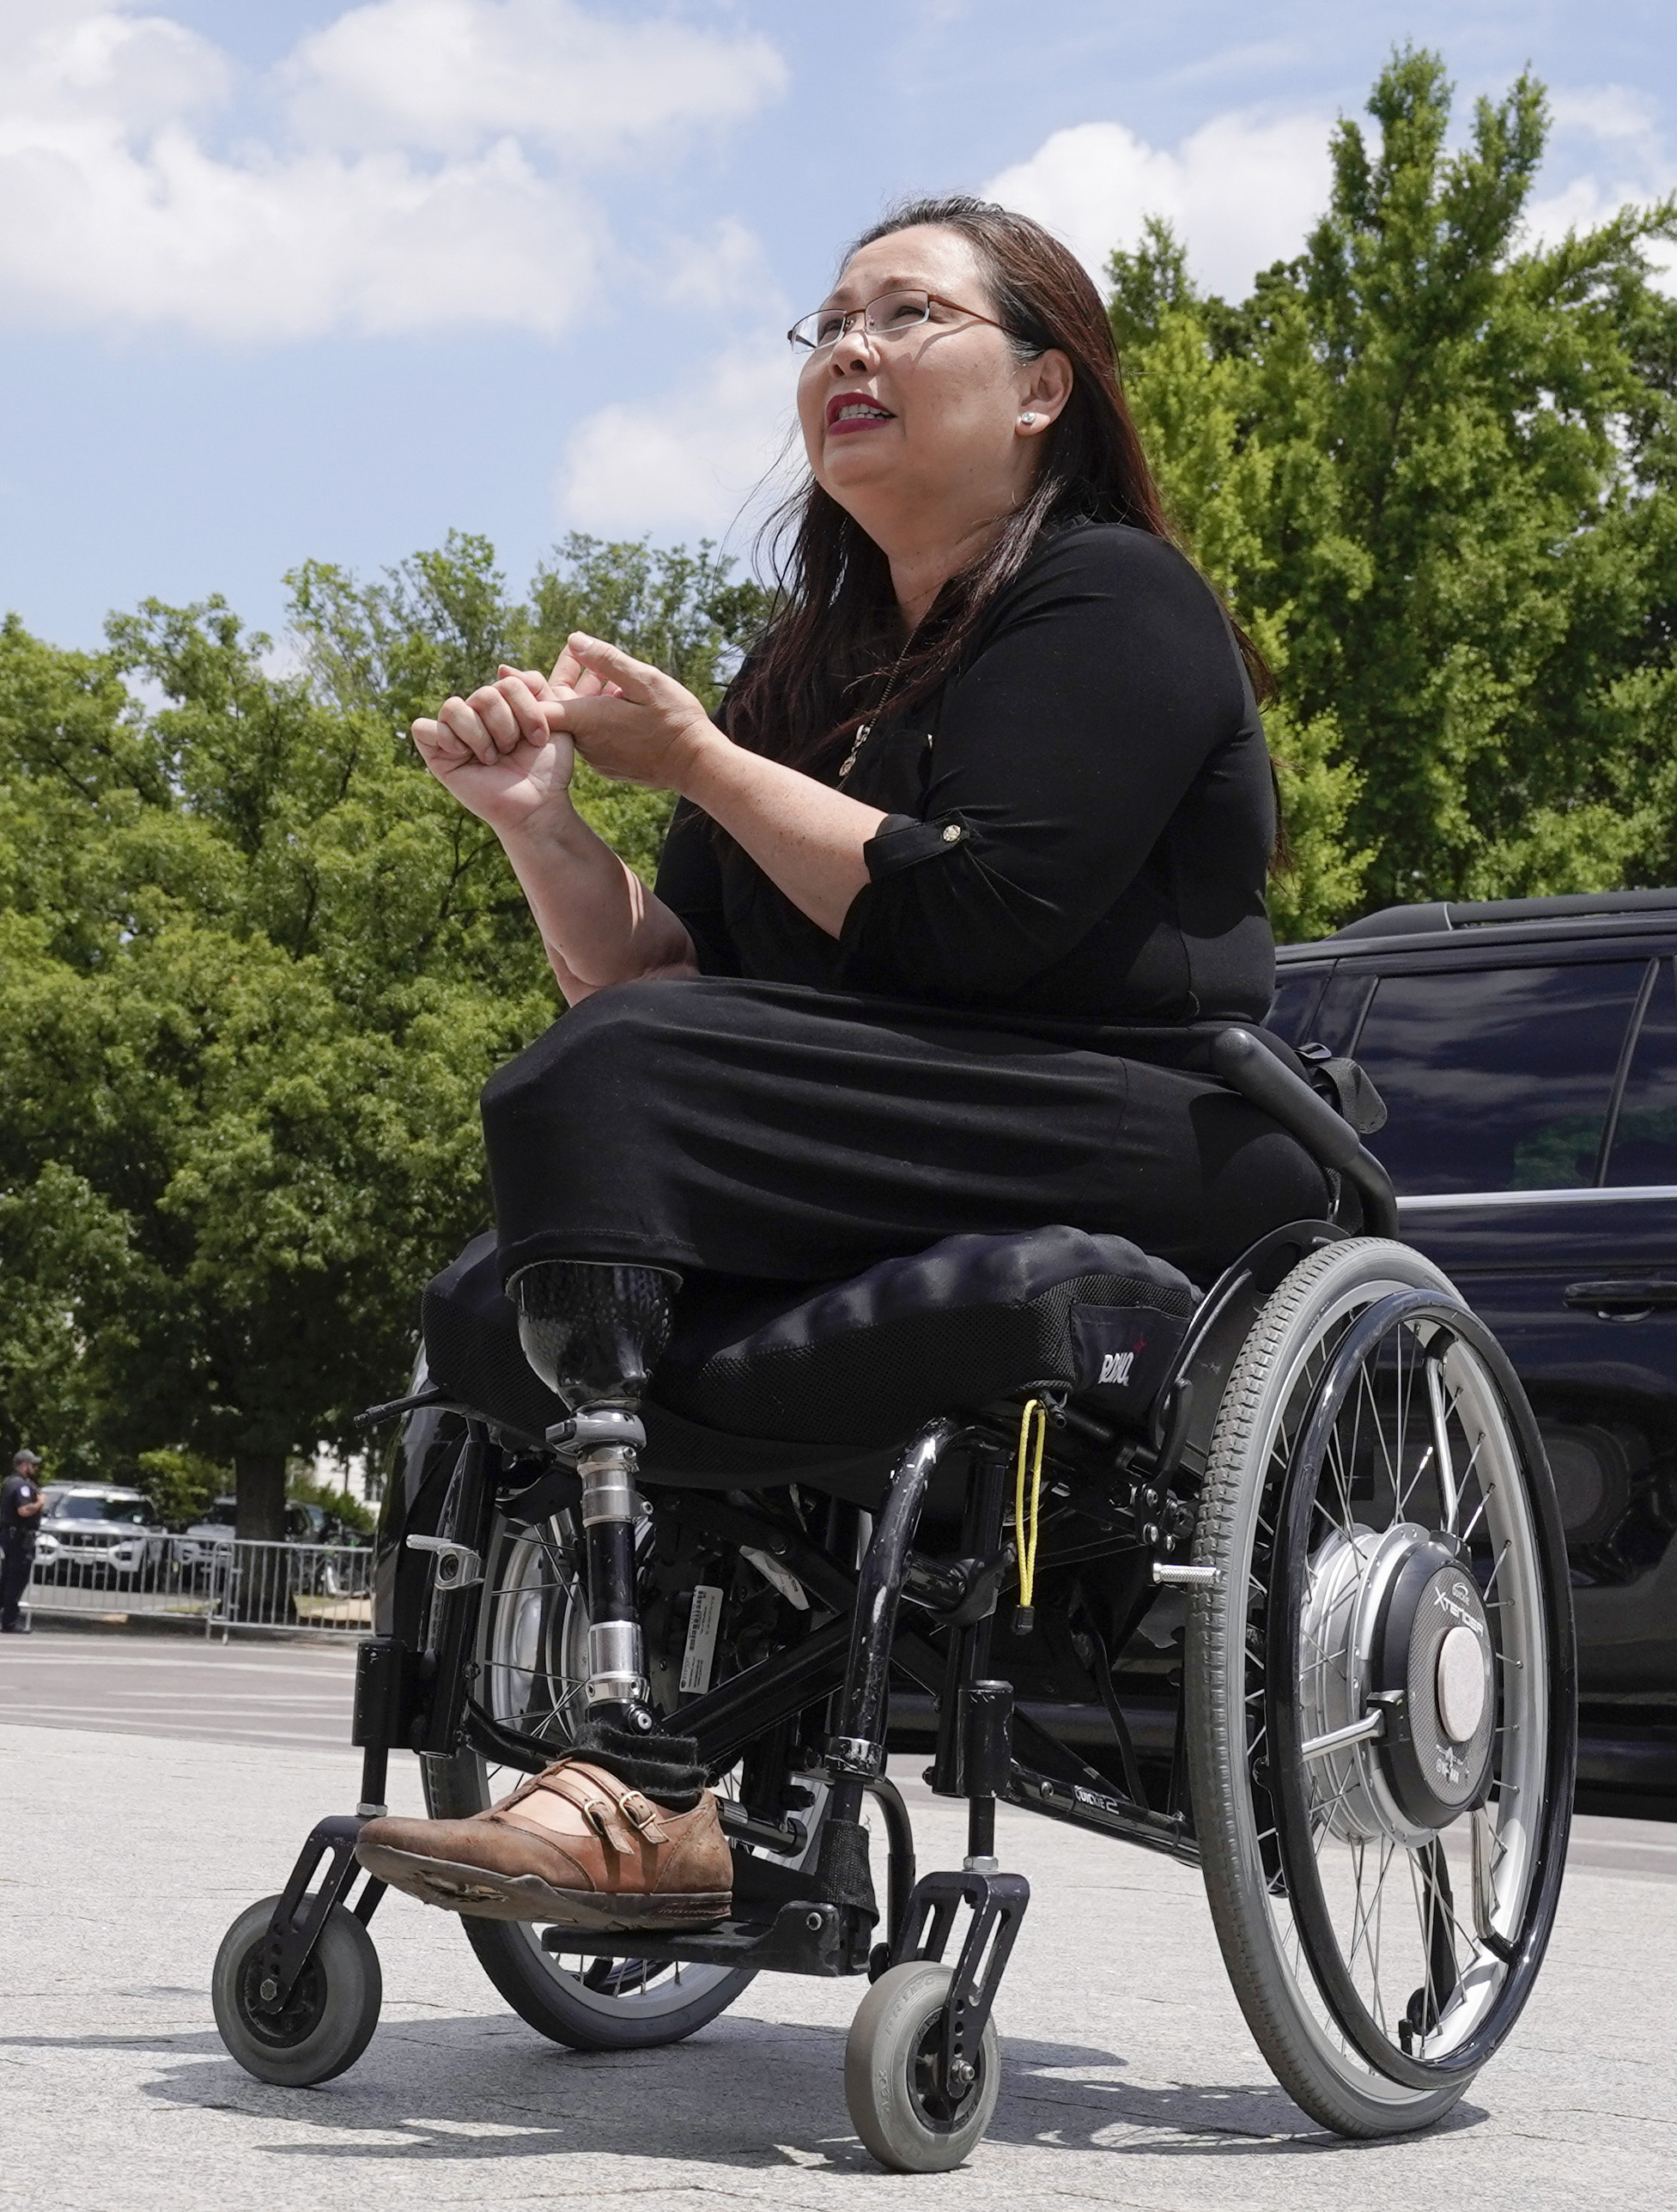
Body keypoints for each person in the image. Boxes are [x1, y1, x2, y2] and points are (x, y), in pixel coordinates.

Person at [349, 198, 1322, 1931]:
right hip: (883, 1115)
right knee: (498, 1293)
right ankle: (697, 1774)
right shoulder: (816, 662)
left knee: (623, 1079)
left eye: (905, 317)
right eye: (828, 326)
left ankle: (638, 1756)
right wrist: (539, 824)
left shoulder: (1116, 597)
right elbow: (651, 977)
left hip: (1127, 1112)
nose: (850, 353)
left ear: (1039, 388)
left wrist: (710, 767)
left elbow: (983, 927)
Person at [0, 1449, 45, 1633]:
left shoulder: (10, 1482)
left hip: (13, 1537)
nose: (35, 1468)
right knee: (16, 1580)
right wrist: (40, 1503)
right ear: (24, 1465)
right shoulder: (20, 1485)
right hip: (19, 1539)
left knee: (7, 1580)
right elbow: (24, 1510)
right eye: (33, 1465)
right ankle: (9, 1622)